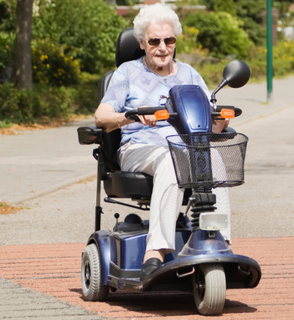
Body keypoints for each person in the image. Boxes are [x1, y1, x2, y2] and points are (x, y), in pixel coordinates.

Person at [94, 3, 232, 280]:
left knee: (214, 158)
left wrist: (221, 119)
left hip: (187, 147)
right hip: (140, 148)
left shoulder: (189, 74)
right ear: (143, 43)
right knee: (172, 158)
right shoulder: (127, 73)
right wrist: (129, 117)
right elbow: (102, 116)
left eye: (169, 40)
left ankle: (221, 241)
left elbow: (209, 118)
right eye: (155, 41)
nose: (162, 47)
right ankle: (155, 250)